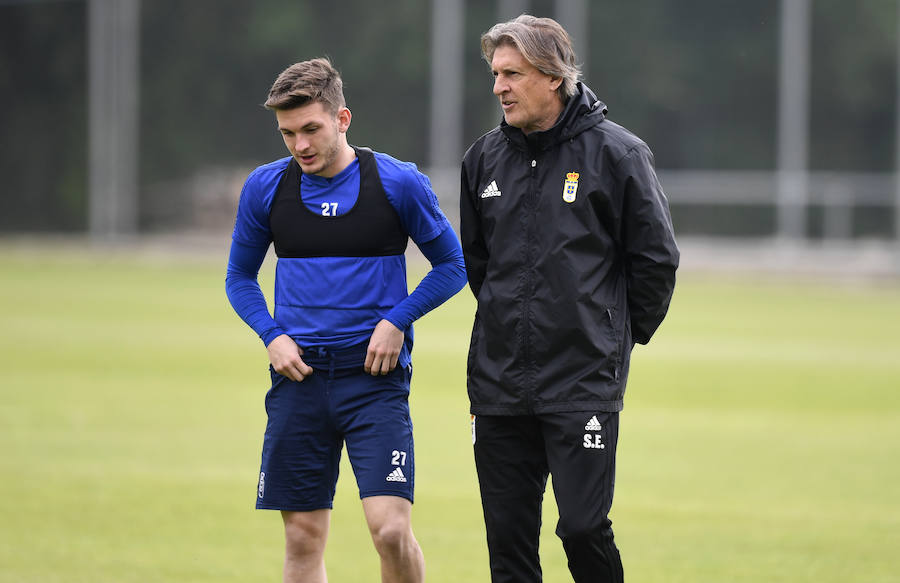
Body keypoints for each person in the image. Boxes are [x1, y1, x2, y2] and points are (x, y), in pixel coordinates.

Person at [226, 57, 466, 583]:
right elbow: (239, 279)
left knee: (389, 530)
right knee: (301, 538)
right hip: (299, 381)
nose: (300, 145)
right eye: (287, 133)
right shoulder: (265, 188)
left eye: (311, 129)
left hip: (374, 384)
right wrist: (271, 336)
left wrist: (398, 319)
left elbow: (453, 266)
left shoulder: (398, 183)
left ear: (342, 119)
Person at [459, 15, 680, 583]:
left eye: (512, 73)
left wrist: (609, 335)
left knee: (582, 529)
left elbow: (655, 261)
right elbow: (478, 263)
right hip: (500, 382)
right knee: (508, 546)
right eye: (495, 74)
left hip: (581, 380)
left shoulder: (619, 155)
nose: (499, 86)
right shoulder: (482, 160)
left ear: (553, 77)